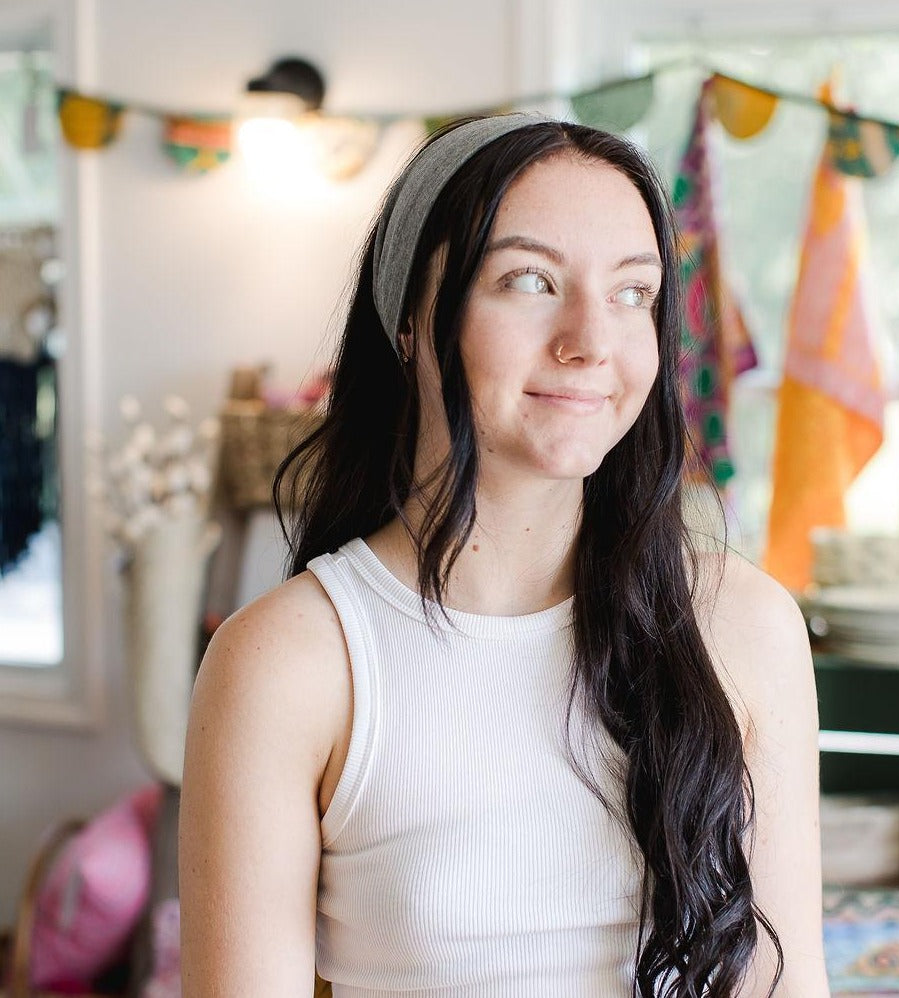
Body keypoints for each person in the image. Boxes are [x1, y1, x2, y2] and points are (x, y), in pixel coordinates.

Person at [179, 114, 830, 997]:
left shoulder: (745, 627)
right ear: (407, 318)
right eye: (529, 281)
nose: (591, 341)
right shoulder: (289, 663)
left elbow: (787, 982)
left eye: (634, 294)